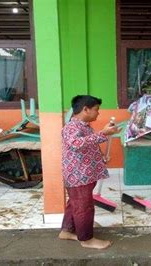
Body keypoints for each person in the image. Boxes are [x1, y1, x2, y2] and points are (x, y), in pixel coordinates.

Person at [58, 95, 120, 250]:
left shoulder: (84, 126)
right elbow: (76, 144)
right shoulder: (71, 127)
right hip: (79, 176)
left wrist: (101, 156)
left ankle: (66, 231)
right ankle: (86, 239)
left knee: (75, 203)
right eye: (96, 109)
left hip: (86, 173)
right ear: (85, 109)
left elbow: (87, 146)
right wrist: (103, 133)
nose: (98, 113)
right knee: (83, 206)